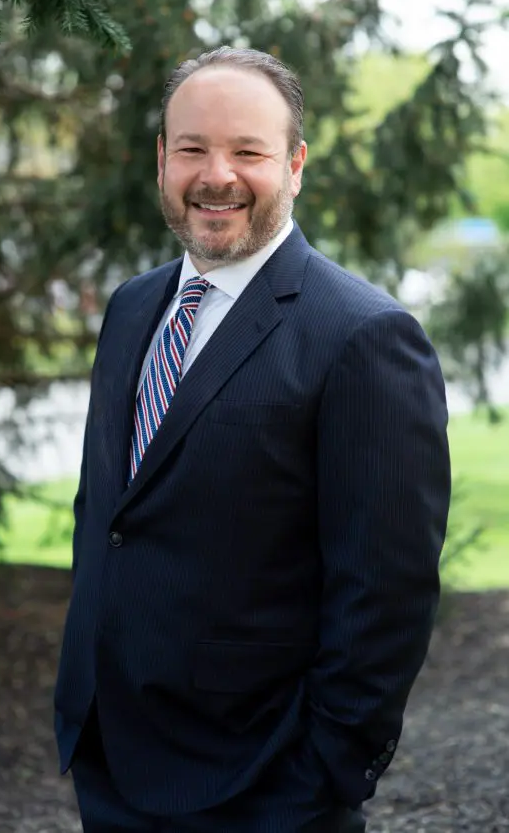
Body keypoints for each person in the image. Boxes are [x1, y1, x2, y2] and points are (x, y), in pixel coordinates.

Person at [54, 47, 451, 833]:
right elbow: (110, 512)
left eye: (248, 151)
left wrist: (322, 771)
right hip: (109, 753)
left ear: (295, 165)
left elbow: (385, 593)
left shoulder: (364, 337)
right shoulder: (133, 308)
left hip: (262, 783)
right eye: (193, 148)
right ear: (163, 160)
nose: (217, 174)